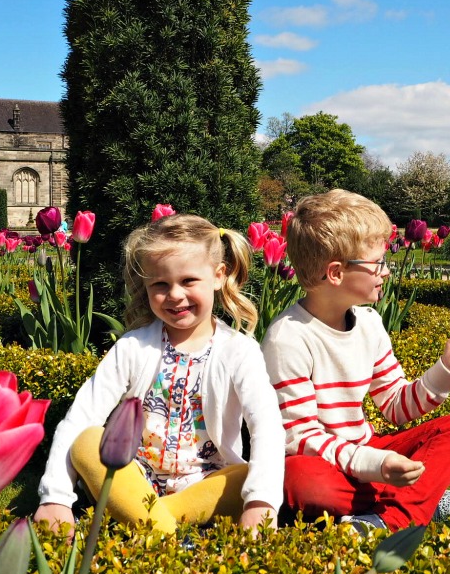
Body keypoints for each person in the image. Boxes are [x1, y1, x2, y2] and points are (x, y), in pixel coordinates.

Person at [35, 214, 284, 537]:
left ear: (219, 276)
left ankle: (148, 523)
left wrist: (261, 503)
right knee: (87, 443)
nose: (175, 295)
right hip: (134, 477)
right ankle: (165, 533)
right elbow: (82, 415)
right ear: (147, 286)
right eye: (160, 285)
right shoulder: (133, 347)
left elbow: (266, 425)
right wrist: (55, 497)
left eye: (189, 281)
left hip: (207, 484)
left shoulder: (239, 351)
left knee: (245, 476)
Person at [261, 189, 450, 534]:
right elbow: (300, 438)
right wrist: (375, 464)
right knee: (300, 480)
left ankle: (387, 519)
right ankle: (425, 501)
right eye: (377, 263)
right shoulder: (288, 339)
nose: (385, 271)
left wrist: (445, 372)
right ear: (336, 273)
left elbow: (395, 406)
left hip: (367, 451)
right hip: (326, 463)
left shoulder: (369, 323)